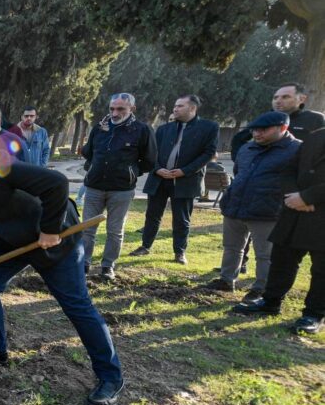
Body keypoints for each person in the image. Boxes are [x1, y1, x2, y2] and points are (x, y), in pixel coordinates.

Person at [0, 152, 124, 405]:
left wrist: (50, 229)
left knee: (76, 305)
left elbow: (57, 183)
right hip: (11, 244)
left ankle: (110, 376)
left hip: (53, 239)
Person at [232, 124, 324, 333]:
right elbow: (289, 170)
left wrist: (307, 197)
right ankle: (270, 302)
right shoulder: (315, 136)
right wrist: (293, 194)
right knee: (282, 260)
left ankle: (314, 314)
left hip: (320, 214)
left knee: (321, 270)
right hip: (294, 212)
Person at [206, 111, 301, 302]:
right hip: (236, 206)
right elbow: (239, 172)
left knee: (265, 254)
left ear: (283, 128)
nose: (257, 134)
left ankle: (261, 289)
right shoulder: (248, 148)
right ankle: (226, 280)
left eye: (263, 130)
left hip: (268, 211)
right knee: (232, 247)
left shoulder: (297, 150)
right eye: (255, 130)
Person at [131, 95, 218, 264]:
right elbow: (151, 153)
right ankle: (145, 246)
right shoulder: (164, 129)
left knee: (181, 218)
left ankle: (179, 252)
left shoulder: (209, 127)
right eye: (175, 106)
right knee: (152, 215)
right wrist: (157, 169)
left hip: (186, 180)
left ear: (192, 108)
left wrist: (184, 171)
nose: (175, 109)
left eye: (180, 106)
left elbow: (208, 153)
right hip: (159, 179)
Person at [80, 93, 156, 280]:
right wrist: (92, 170)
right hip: (94, 186)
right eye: (112, 108)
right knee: (87, 228)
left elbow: (150, 160)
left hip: (121, 189)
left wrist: (130, 172)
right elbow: (88, 152)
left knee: (115, 230)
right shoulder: (99, 128)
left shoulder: (142, 130)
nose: (115, 113)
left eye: (121, 109)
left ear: (132, 109)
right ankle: (83, 263)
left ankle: (107, 266)